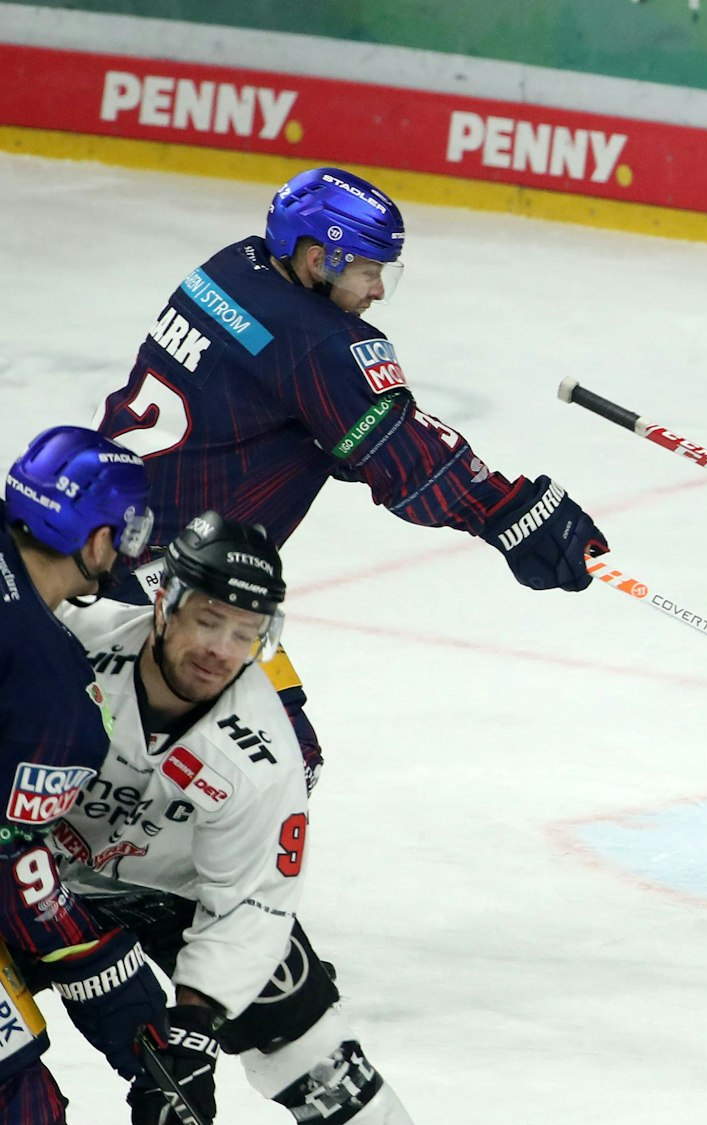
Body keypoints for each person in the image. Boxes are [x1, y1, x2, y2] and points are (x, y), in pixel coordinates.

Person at [94, 166, 607, 790]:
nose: (379, 291)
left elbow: (307, 422)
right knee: (276, 765)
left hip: (96, 539)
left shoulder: (234, 267)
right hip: (164, 586)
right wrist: (515, 513)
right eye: (369, 270)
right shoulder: (322, 345)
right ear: (319, 259)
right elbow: (410, 464)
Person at [49, 512, 411, 1124]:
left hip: (175, 890)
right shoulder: (68, 645)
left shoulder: (263, 755)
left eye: (245, 632)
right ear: (164, 603)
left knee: (321, 1066)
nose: (221, 650)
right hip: (26, 874)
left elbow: (250, 904)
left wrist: (192, 1035)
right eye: (208, 620)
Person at [0, 426, 170, 1123]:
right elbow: (21, 882)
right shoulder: (54, 696)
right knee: (19, 1093)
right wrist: (145, 1033)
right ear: (97, 540)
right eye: (126, 531)